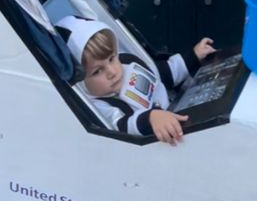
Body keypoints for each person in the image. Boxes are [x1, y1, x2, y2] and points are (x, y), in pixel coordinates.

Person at [54, 15, 215, 145]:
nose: (112, 71)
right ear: (80, 80)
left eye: (111, 58)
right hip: (158, 140)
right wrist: (151, 118)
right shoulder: (97, 105)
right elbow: (122, 126)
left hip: (180, 110)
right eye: (97, 71)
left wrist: (192, 57)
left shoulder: (128, 63)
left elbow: (162, 74)